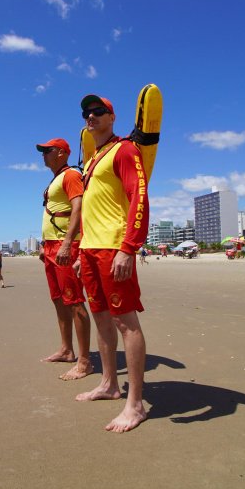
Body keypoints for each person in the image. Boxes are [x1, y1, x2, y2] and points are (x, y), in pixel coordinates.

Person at [73, 93, 149, 433]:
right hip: (90, 250)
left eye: (98, 112)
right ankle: (109, 384)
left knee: (125, 322)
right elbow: (91, 210)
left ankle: (135, 404)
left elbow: (139, 197)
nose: (91, 117)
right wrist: (79, 252)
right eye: (87, 113)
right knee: (101, 318)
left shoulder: (125, 150)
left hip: (113, 248)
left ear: (112, 117)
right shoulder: (91, 161)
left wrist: (128, 248)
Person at [37, 138, 93, 381]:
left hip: (65, 245)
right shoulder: (56, 178)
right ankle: (66, 350)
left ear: (61, 153)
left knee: (75, 300)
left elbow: (78, 209)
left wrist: (68, 243)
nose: (43, 155)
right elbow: (52, 212)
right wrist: (42, 243)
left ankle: (85, 361)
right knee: (59, 299)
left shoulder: (70, 175)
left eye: (47, 151)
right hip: (51, 246)